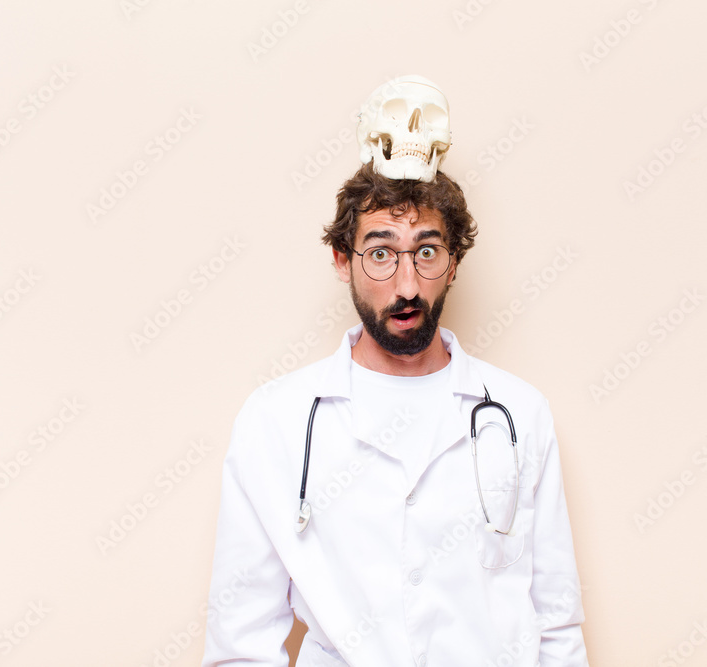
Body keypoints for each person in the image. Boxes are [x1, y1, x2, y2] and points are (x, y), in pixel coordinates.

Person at [201, 162, 589, 666]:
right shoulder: (277, 421)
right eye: (381, 253)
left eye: (426, 252)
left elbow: (555, 620)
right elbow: (241, 638)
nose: (406, 286)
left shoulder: (520, 414)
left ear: (453, 263)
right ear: (343, 260)